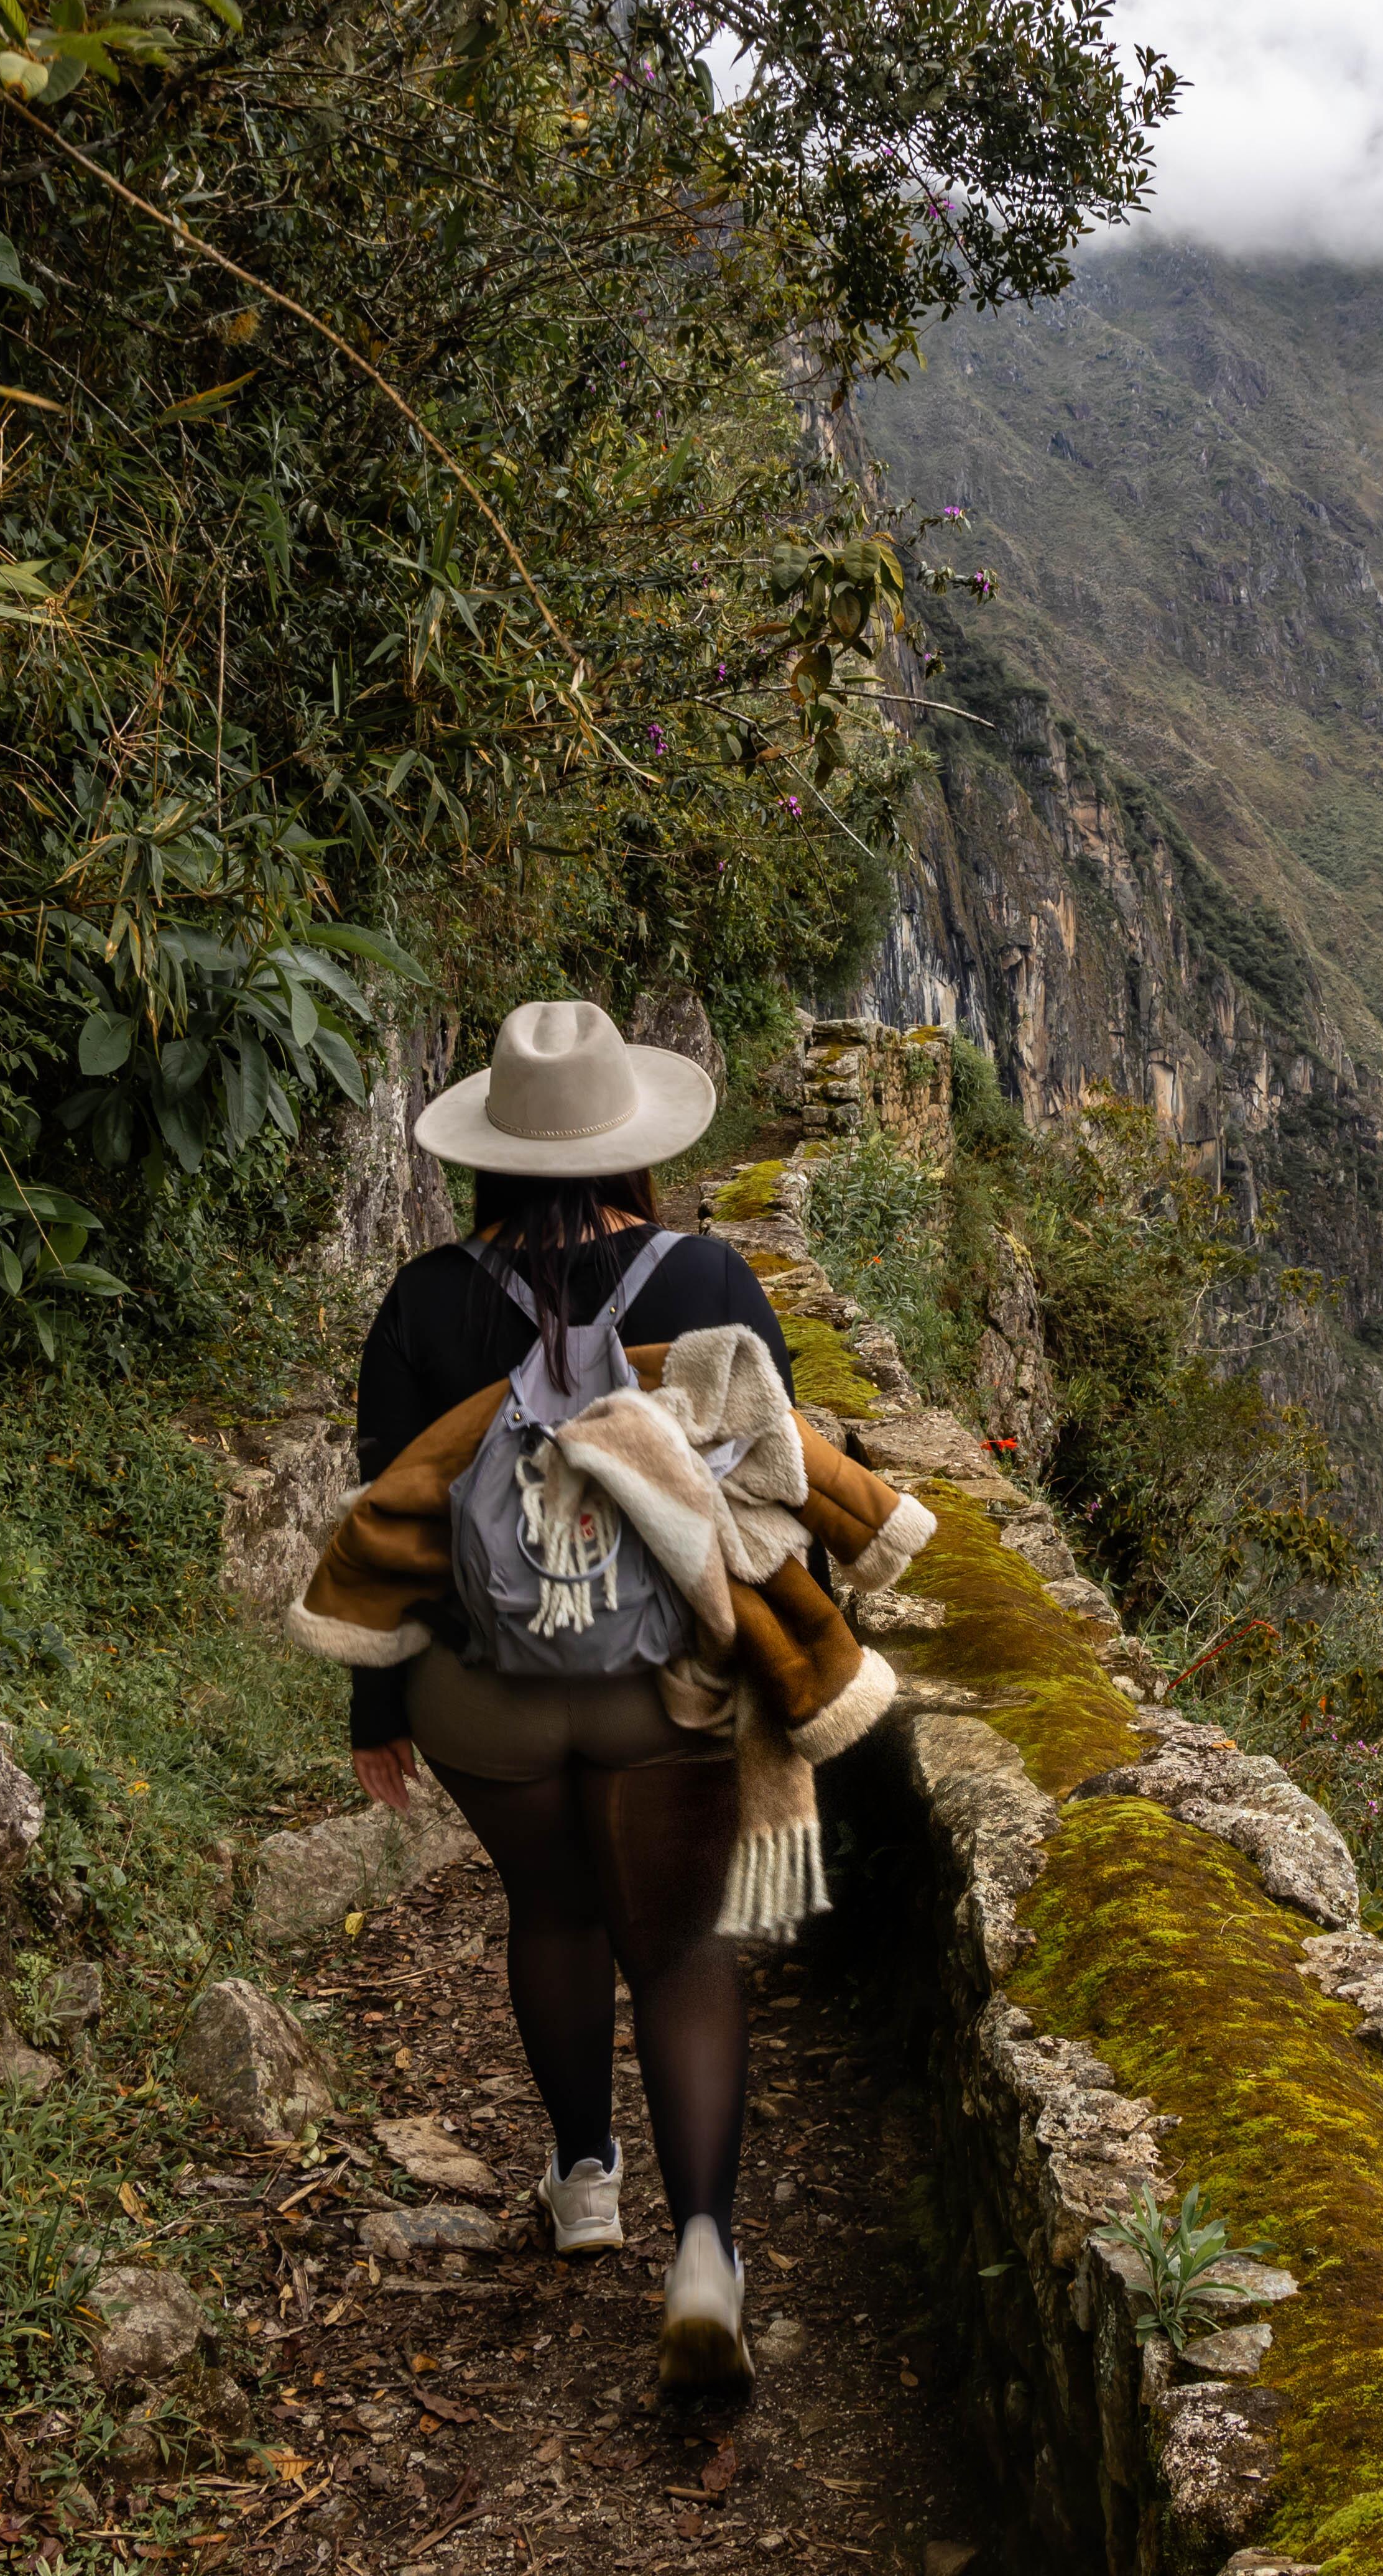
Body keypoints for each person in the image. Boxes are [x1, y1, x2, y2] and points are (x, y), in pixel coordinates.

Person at [338, 999, 818, 2389]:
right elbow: (777, 1494)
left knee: (550, 1909)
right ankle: (708, 2253)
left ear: (491, 1152)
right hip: (655, 1682)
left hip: (483, 1688)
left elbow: (388, 1518)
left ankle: (585, 2176)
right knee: (676, 1944)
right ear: (632, 1142)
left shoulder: (426, 1298)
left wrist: (375, 1715)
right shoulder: (709, 1276)